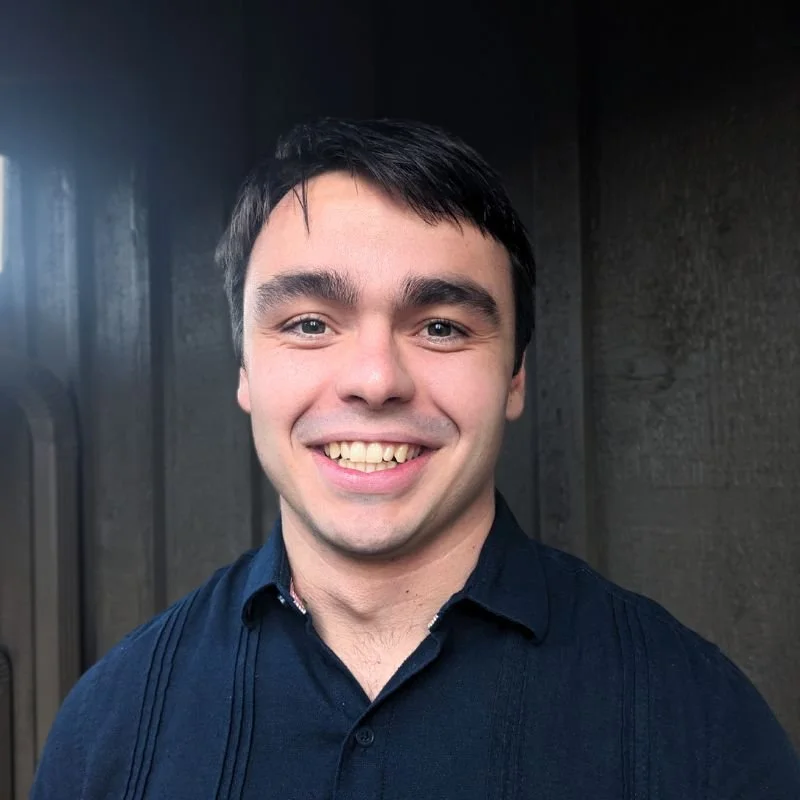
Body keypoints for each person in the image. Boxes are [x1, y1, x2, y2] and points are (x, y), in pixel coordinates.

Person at [32, 118, 800, 799]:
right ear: (245, 371)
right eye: (309, 324)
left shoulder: (702, 724)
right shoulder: (109, 725)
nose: (376, 380)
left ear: (515, 378)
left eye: (440, 327)